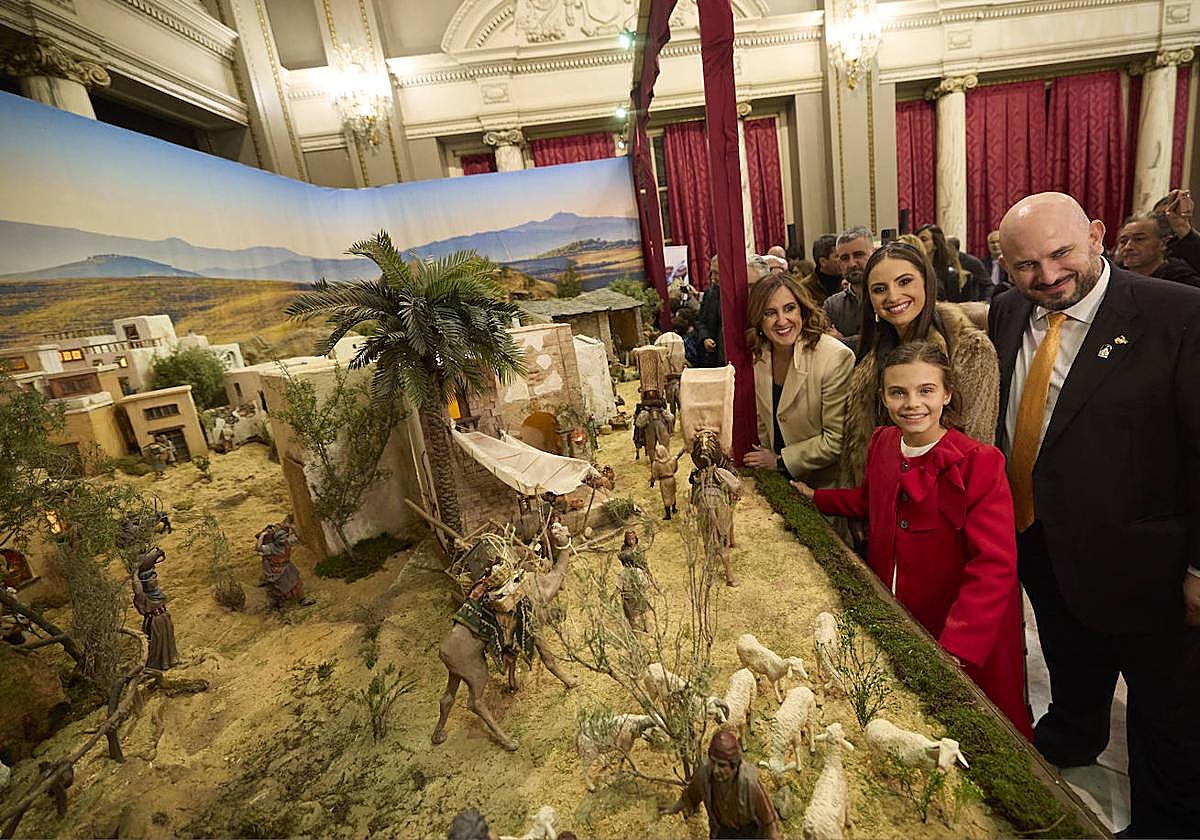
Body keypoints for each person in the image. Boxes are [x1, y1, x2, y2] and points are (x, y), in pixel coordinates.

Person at [990, 192, 1200, 837]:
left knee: (1166, 711)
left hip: (1148, 561)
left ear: (1098, 236)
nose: (1047, 277)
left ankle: (1167, 823)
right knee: (1069, 657)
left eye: (1061, 254)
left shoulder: (1178, 315)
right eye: (1026, 265)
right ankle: (1072, 736)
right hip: (1043, 541)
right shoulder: (1004, 314)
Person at [795, 342, 1031, 737]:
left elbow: (993, 566)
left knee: (967, 726)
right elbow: (869, 500)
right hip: (900, 611)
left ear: (947, 393)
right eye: (898, 392)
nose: (912, 404)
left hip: (958, 626)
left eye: (926, 390)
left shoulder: (980, 462)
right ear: (883, 397)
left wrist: (956, 648)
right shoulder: (883, 442)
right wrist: (816, 497)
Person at [838, 240, 999, 493]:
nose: (893, 297)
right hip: (882, 503)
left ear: (926, 281)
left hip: (941, 505)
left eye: (904, 282)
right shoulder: (873, 352)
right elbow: (860, 445)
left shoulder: (969, 348)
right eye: (880, 289)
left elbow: (976, 444)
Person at [742, 272, 854, 488]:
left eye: (789, 308)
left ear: (802, 309)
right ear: (758, 318)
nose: (782, 321)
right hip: (774, 479)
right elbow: (762, 421)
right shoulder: (757, 355)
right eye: (770, 312)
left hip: (822, 486)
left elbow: (835, 440)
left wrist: (779, 461)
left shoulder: (834, 357)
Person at [660, 730, 783, 840]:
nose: (715, 770)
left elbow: (769, 819)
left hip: (749, 832)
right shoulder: (704, 776)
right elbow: (689, 798)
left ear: (734, 766)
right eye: (713, 762)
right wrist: (672, 810)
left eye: (722, 765)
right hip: (723, 831)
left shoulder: (749, 783)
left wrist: (773, 834)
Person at [823, 226, 874, 349]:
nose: (852, 264)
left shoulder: (887, 297)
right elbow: (825, 345)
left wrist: (842, 340)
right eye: (844, 258)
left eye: (858, 255)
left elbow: (884, 340)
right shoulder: (832, 305)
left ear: (874, 254)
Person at [1114, 214, 1200, 287]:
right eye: (1123, 241)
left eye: (1139, 239)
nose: (1128, 247)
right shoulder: (1114, 279)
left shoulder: (1183, 281)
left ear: (1162, 243)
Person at [132, 545, 180, 672]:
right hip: (154, 622)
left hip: (164, 618)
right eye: (152, 579)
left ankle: (169, 660)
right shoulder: (143, 596)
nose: (155, 580)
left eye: (155, 577)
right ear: (145, 582)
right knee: (156, 643)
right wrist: (135, 574)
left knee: (167, 640)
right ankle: (156, 665)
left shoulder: (156, 592)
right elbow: (137, 589)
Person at [916, 223, 989, 302]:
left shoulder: (950, 274)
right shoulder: (914, 270)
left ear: (935, 244)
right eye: (916, 240)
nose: (919, 243)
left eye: (923, 240)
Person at [255, 522, 313, 608]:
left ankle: (302, 599)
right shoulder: (271, 547)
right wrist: (263, 535)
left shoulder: (287, 543)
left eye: (285, 538)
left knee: (296, 584)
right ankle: (278, 604)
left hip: (288, 568)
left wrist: (292, 527)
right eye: (281, 539)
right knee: (278, 589)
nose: (284, 540)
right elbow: (258, 548)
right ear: (276, 540)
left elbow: (298, 537)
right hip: (276, 571)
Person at [695, 256, 724, 367]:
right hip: (714, 359)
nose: (713, 278)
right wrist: (705, 338)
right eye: (712, 272)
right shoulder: (710, 294)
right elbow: (700, 321)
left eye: (717, 273)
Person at [801, 233, 842, 305]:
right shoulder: (805, 289)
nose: (842, 259)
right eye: (837, 256)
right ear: (823, 261)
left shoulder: (848, 282)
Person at [982, 229, 1011, 294]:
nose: (995, 245)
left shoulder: (1010, 262)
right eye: (992, 242)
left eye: (998, 242)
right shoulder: (982, 263)